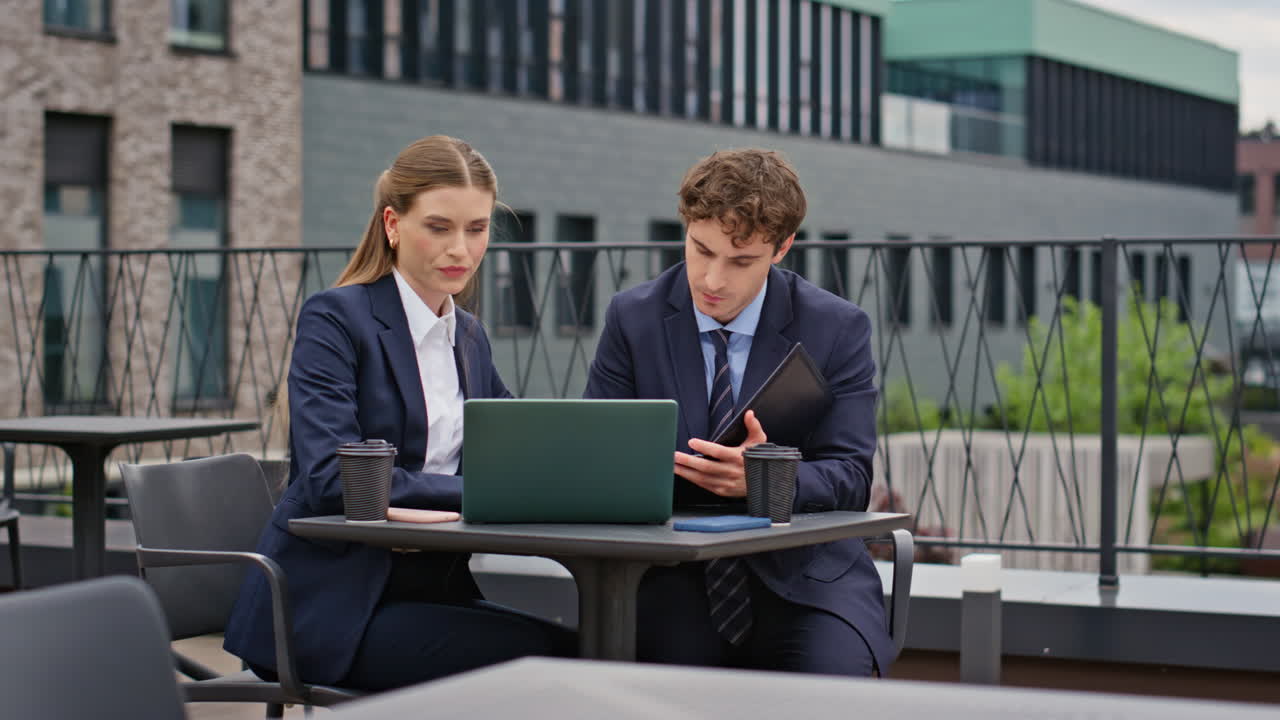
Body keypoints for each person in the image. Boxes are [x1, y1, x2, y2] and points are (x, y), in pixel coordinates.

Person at [224, 135, 573, 691]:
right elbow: (332, 479)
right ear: (393, 224)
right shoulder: (337, 320)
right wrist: (467, 498)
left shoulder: (469, 337)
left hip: (426, 590)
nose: (460, 248)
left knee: (586, 648)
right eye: (439, 227)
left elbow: (516, 450)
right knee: (548, 667)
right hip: (329, 609)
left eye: (477, 229)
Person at [585, 148, 892, 676]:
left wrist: (762, 480)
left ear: (782, 247)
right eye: (700, 250)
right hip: (671, 574)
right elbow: (596, 465)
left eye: (740, 260)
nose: (711, 280)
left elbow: (850, 477)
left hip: (806, 579)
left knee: (831, 696)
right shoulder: (631, 320)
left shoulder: (838, 328)